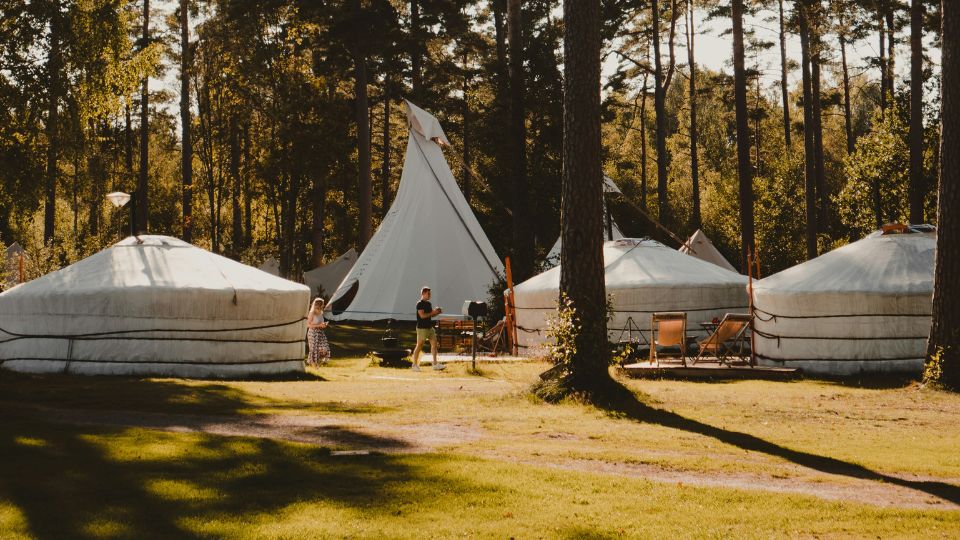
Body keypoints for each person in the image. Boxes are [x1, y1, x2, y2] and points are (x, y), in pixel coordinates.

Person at [412, 286, 445, 371]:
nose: (430, 295)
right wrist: (432, 312)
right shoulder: (419, 304)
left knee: (434, 344)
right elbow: (422, 316)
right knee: (419, 346)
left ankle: (435, 364)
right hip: (421, 328)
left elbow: (431, 315)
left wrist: (436, 312)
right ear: (423, 293)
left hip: (429, 327)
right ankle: (414, 365)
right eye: (428, 293)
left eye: (430, 293)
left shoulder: (429, 304)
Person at [306, 297, 330, 367]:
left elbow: (321, 322)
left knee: (324, 348)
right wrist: (319, 325)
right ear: (319, 305)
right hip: (312, 333)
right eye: (322, 304)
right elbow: (308, 325)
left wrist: (324, 325)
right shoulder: (312, 313)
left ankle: (312, 361)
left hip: (320, 332)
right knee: (313, 349)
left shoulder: (321, 312)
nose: (323, 305)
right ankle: (313, 364)